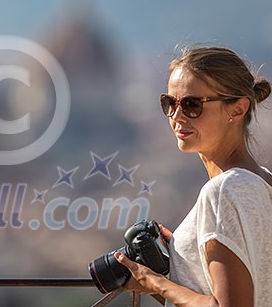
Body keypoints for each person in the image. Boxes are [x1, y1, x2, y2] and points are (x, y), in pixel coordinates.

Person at [115, 46, 272, 307]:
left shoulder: (223, 191)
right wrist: (181, 262)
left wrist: (156, 282)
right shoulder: (263, 183)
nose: (177, 116)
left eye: (191, 104)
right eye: (169, 103)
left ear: (237, 109)